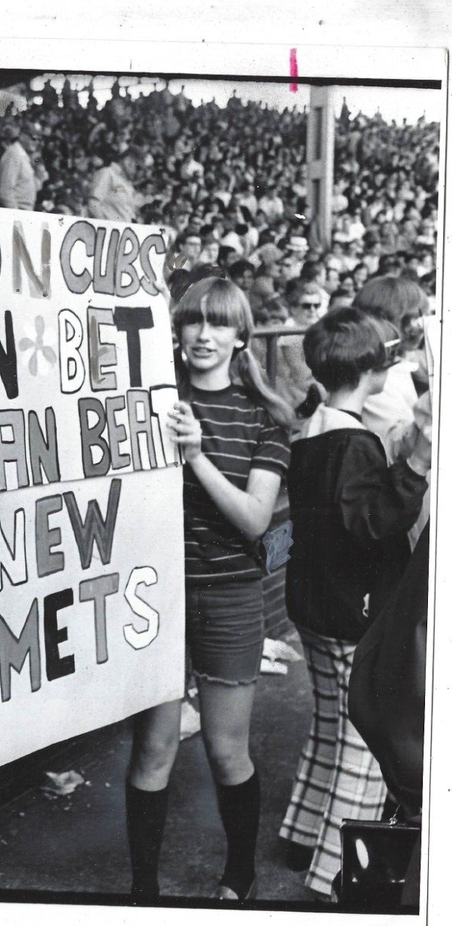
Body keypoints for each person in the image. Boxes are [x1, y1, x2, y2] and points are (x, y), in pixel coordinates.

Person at [126, 278, 293, 903]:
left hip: (228, 597)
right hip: (154, 597)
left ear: (240, 337)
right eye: (193, 320)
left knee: (227, 751)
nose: (203, 334)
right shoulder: (148, 399)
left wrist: (195, 455)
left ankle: (239, 878)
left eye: (218, 323)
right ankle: (143, 892)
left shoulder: (263, 418)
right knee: (154, 749)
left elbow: (254, 519)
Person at [279, 308, 429, 898]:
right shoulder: (355, 442)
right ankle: (332, 878)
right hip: (351, 611)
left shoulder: (313, 429)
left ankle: (299, 837)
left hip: (313, 607)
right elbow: (373, 522)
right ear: (373, 369)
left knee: (327, 729)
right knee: (363, 749)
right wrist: (414, 463)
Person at [353, 276, 425, 460]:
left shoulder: (398, 364)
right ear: (385, 320)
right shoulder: (373, 375)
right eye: (414, 317)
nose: (421, 326)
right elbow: (400, 446)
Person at [87, 146, 145, 222]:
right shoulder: (108, 173)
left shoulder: (128, 185)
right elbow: (93, 203)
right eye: (138, 168)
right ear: (128, 161)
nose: (138, 173)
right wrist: (105, 225)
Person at [0, 127, 36, 210]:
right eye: (34, 138)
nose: (37, 142)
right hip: (16, 212)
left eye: (39, 139)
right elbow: (5, 190)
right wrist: (15, 214)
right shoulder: (14, 154)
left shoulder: (21, 155)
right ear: (22, 136)